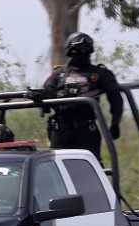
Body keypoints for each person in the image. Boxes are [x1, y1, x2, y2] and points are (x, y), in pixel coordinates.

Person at [42, 32, 123, 160]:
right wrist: (42, 101)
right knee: (57, 170)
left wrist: (115, 123)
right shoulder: (59, 74)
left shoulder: (100, 74)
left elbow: (116, 98)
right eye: (77, 50)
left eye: (85, 49)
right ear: (70, 51)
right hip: (61, 130)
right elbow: (46, 92)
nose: (82, 52)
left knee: (89, 170)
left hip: (86, 131)